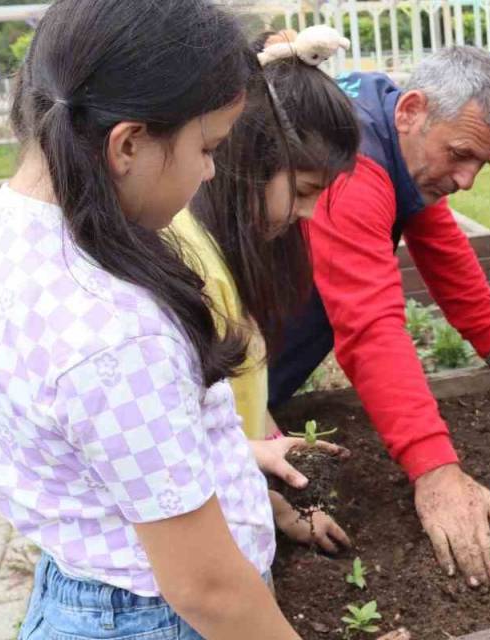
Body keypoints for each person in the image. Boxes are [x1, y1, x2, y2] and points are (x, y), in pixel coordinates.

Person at [0, 1, 307, 637]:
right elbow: (210, 589)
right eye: (208, 146)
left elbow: (89, 442)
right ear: (128, 143)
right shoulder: (113, 329)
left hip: (81, 586)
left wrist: (230, 453)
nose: (210, 171)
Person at [266, 46, 490, 589]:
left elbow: (438, 237)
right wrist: (435, 471)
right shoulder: (353, 166)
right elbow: (370, 327)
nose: (468, 179)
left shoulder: (389, 121)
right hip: (233, 357)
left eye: (483, 164)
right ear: (412, 110)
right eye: (461, 154)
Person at [168, 27, 361, 554]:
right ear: (247, 159)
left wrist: (288, 498)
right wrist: (257, 458)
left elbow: (241, 407)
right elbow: (170, 449)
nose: (309, 212)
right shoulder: (192, 271)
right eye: (303, 191)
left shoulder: (229, 256)